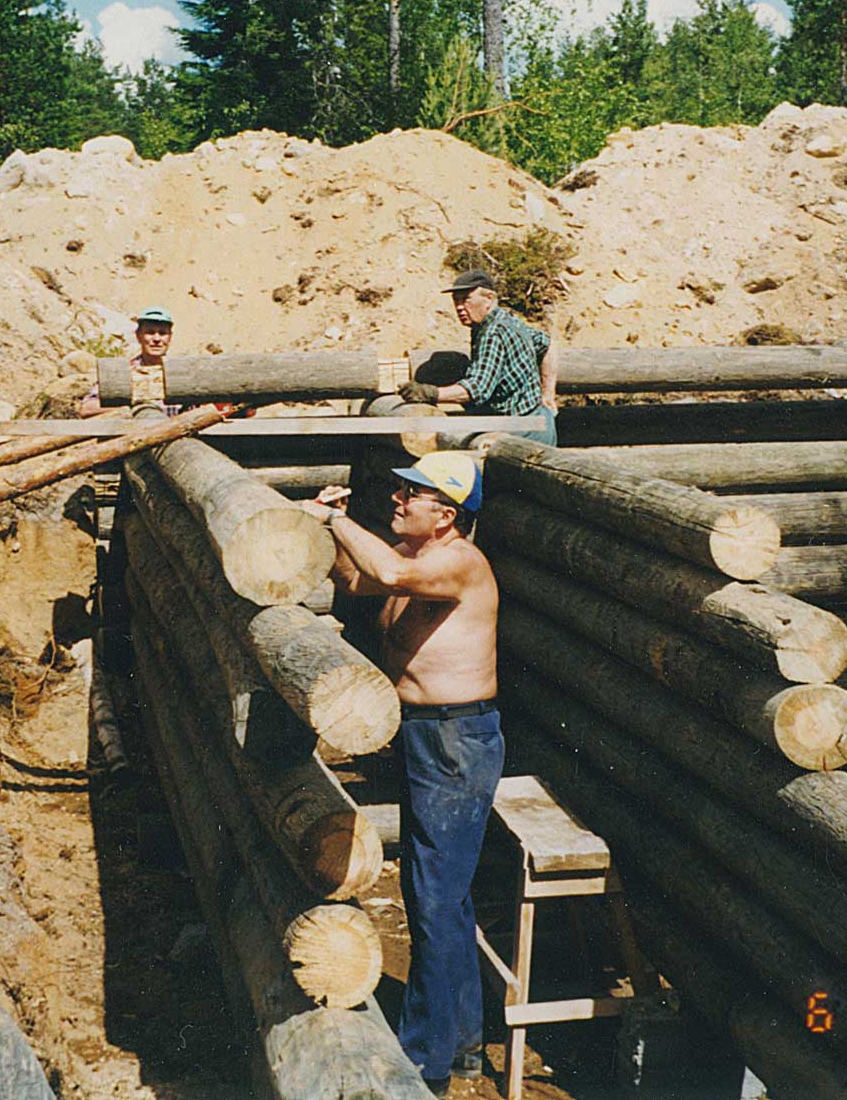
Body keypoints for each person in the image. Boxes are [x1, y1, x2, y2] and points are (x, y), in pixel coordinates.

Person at [304, 452, 502, 1096]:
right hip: (430, 736)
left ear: (445, 515)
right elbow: (359, 583)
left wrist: (339, 521)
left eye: (412, 495)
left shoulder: (456, 561)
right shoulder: (418, 559)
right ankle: (462, 1042)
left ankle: (424, 1060)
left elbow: (384, 568)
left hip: (455, 738)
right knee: (440, 893)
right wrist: (327, 533)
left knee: (435, 896)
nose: (398, 499)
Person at [398, 269, 559, 445]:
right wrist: (547, 394)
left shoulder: (493, 332)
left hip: (523, 431)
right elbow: (547, 344)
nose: (459, 307)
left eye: (466, 299)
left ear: (489, 299)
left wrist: (430, 393)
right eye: (456, 301)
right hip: (538, 421)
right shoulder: (506, 320)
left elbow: (477, 389)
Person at [79, 306, 177, 417]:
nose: (156, 339)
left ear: (170, 337)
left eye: (162, 333)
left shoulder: (181, 372)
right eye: (150, 332)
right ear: (138, 336)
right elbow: (87, 408)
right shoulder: (122, 372)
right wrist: (132, 403)